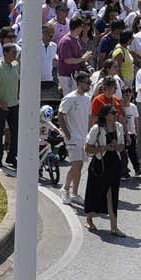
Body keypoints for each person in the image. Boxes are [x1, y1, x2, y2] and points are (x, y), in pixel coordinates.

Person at [81, 103, 126, 236]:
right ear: (106, 115)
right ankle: (89, 218)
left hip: (114, 163)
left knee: (113, 194)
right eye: (112, 112)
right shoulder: (97, 128)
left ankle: (114, 226)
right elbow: (88, 148)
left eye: (116, 112)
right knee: (95, 191)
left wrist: (117, 146)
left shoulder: (119, 127)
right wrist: (104, 148)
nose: (115, 114)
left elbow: (122, 146)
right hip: (100, 164)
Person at [57, 71, 92, 206]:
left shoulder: (88, 98)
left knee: (80, 166)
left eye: (89, 82)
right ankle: (65, 189)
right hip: (73, 137)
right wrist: (66, 133)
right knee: (76, 165)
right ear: (79, 83)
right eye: (87, 82)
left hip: (84, 137)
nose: (89, 84)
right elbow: (61, 115)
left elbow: (88, 117)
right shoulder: (70, 98)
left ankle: (75, 193)